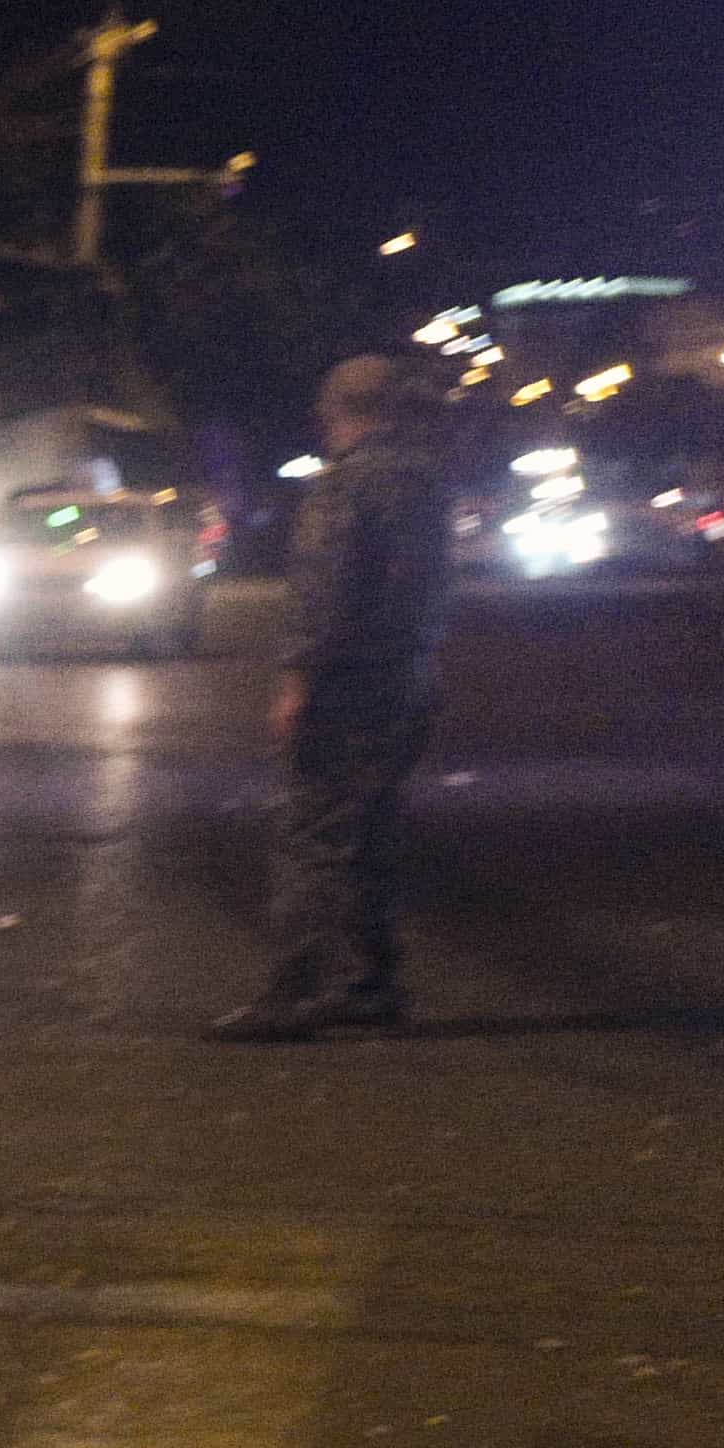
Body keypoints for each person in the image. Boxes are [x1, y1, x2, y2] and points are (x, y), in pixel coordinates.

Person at [208, 354, 453, 1041]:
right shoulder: (426, 482)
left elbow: (325, 593)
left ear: (335, 410)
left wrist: (297, 683)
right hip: (410, 678)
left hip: (348, 687)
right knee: (371, 835)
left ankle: (290, 991)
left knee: (310, 838)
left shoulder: (348, 486)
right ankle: (372, 982)